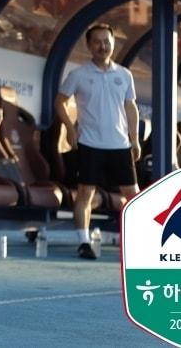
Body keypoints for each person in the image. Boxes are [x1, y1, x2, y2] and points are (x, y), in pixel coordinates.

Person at [54, 23, 140, 260]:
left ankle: (134, 242)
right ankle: (84, 242)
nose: (103, 46)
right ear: (89, 46)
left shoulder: (124, 75)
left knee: (133, 195)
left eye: (107, 41)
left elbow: (130, 106)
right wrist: (70, 129)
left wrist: (135, 138)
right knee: (85, 194)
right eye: (97, 42)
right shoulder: (79, 75)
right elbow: (60, 101)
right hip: (90, 144)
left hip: (120, 144)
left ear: (113, 43)